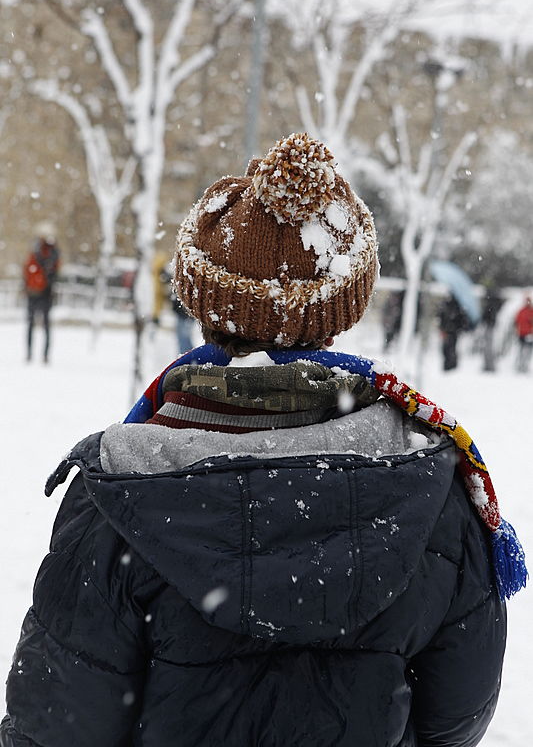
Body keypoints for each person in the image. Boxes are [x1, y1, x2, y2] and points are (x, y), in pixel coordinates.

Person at [1, 134, 526, 747]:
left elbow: (56, 726)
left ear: (202, 303)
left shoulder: (117, 492)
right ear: (342, 310)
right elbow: (456, 718)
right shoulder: (434, 485)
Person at [22, 222, 60, 364]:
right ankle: (37, 354)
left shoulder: (42, 252)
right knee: (42, 325)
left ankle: (36, 354)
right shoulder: (50, 252)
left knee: (35, 325)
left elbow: (27, 270)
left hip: (39, 292)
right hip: (42, 292)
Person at [438, 293, 469, 371]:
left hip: (450, 331)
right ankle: (450, 365)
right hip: (451, 331)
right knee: (449, 348)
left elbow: (442, 317)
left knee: (449, 348)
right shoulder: (457, 306)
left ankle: (450, 365)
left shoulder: (451, 306)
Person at [480, 284, 503, 372]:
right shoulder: (495, 302)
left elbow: (488, 315)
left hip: (490, 326)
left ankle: (489, 366)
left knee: (488, 346)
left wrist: (484, 319)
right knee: (488, 346)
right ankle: (489, 365)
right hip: (491, 325)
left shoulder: (491, 303)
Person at [514, 295, 533, 373]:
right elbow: (516, 322)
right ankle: (520, 365)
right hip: (523, 334)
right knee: (522, 350)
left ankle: (523, 365)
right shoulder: (522, 311)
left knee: (526, 351)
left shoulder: (528, 311)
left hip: (528, 334)